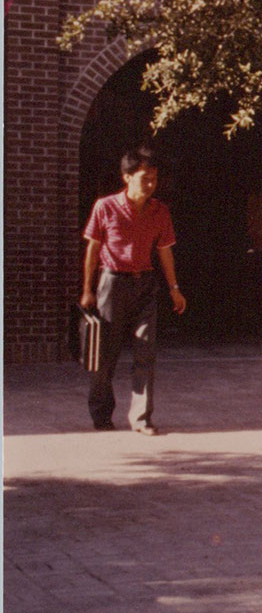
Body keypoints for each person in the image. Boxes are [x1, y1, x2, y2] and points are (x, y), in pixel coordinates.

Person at [78, 146, 186, 434]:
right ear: (127, 177)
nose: (150, 184)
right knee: (106, 353)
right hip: (112, 283)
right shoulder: (106, 207)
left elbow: (165, 252)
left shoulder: (160, 211)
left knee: (146, 351)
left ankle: (142, 418)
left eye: (154, 178)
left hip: (145, 284)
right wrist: (87, 289)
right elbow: (93, 249)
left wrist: (174, 288)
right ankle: (101, 414)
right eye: (144, 177)